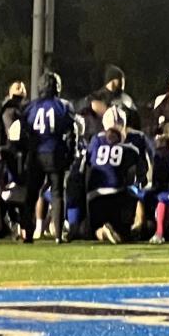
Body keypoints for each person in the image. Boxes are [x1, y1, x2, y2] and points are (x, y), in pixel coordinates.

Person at [21, 72, 76, 242]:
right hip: (55, 151)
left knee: (31, 194)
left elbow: (24, 132)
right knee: (57, 193)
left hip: (36, 153)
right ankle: (58, 235)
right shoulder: (63, 106)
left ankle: (27, 233)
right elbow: (70, 132)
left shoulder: (30, 107)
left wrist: (26, 152)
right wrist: (70, 153)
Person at [86, 105, 149, 243]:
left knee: (93, 230)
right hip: (118, 197)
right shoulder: (131, 148)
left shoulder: (95, 141)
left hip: (94, 196)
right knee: (136, 192)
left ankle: (102, 231)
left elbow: (88, 165)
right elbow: (142, 175)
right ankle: (137, 226)